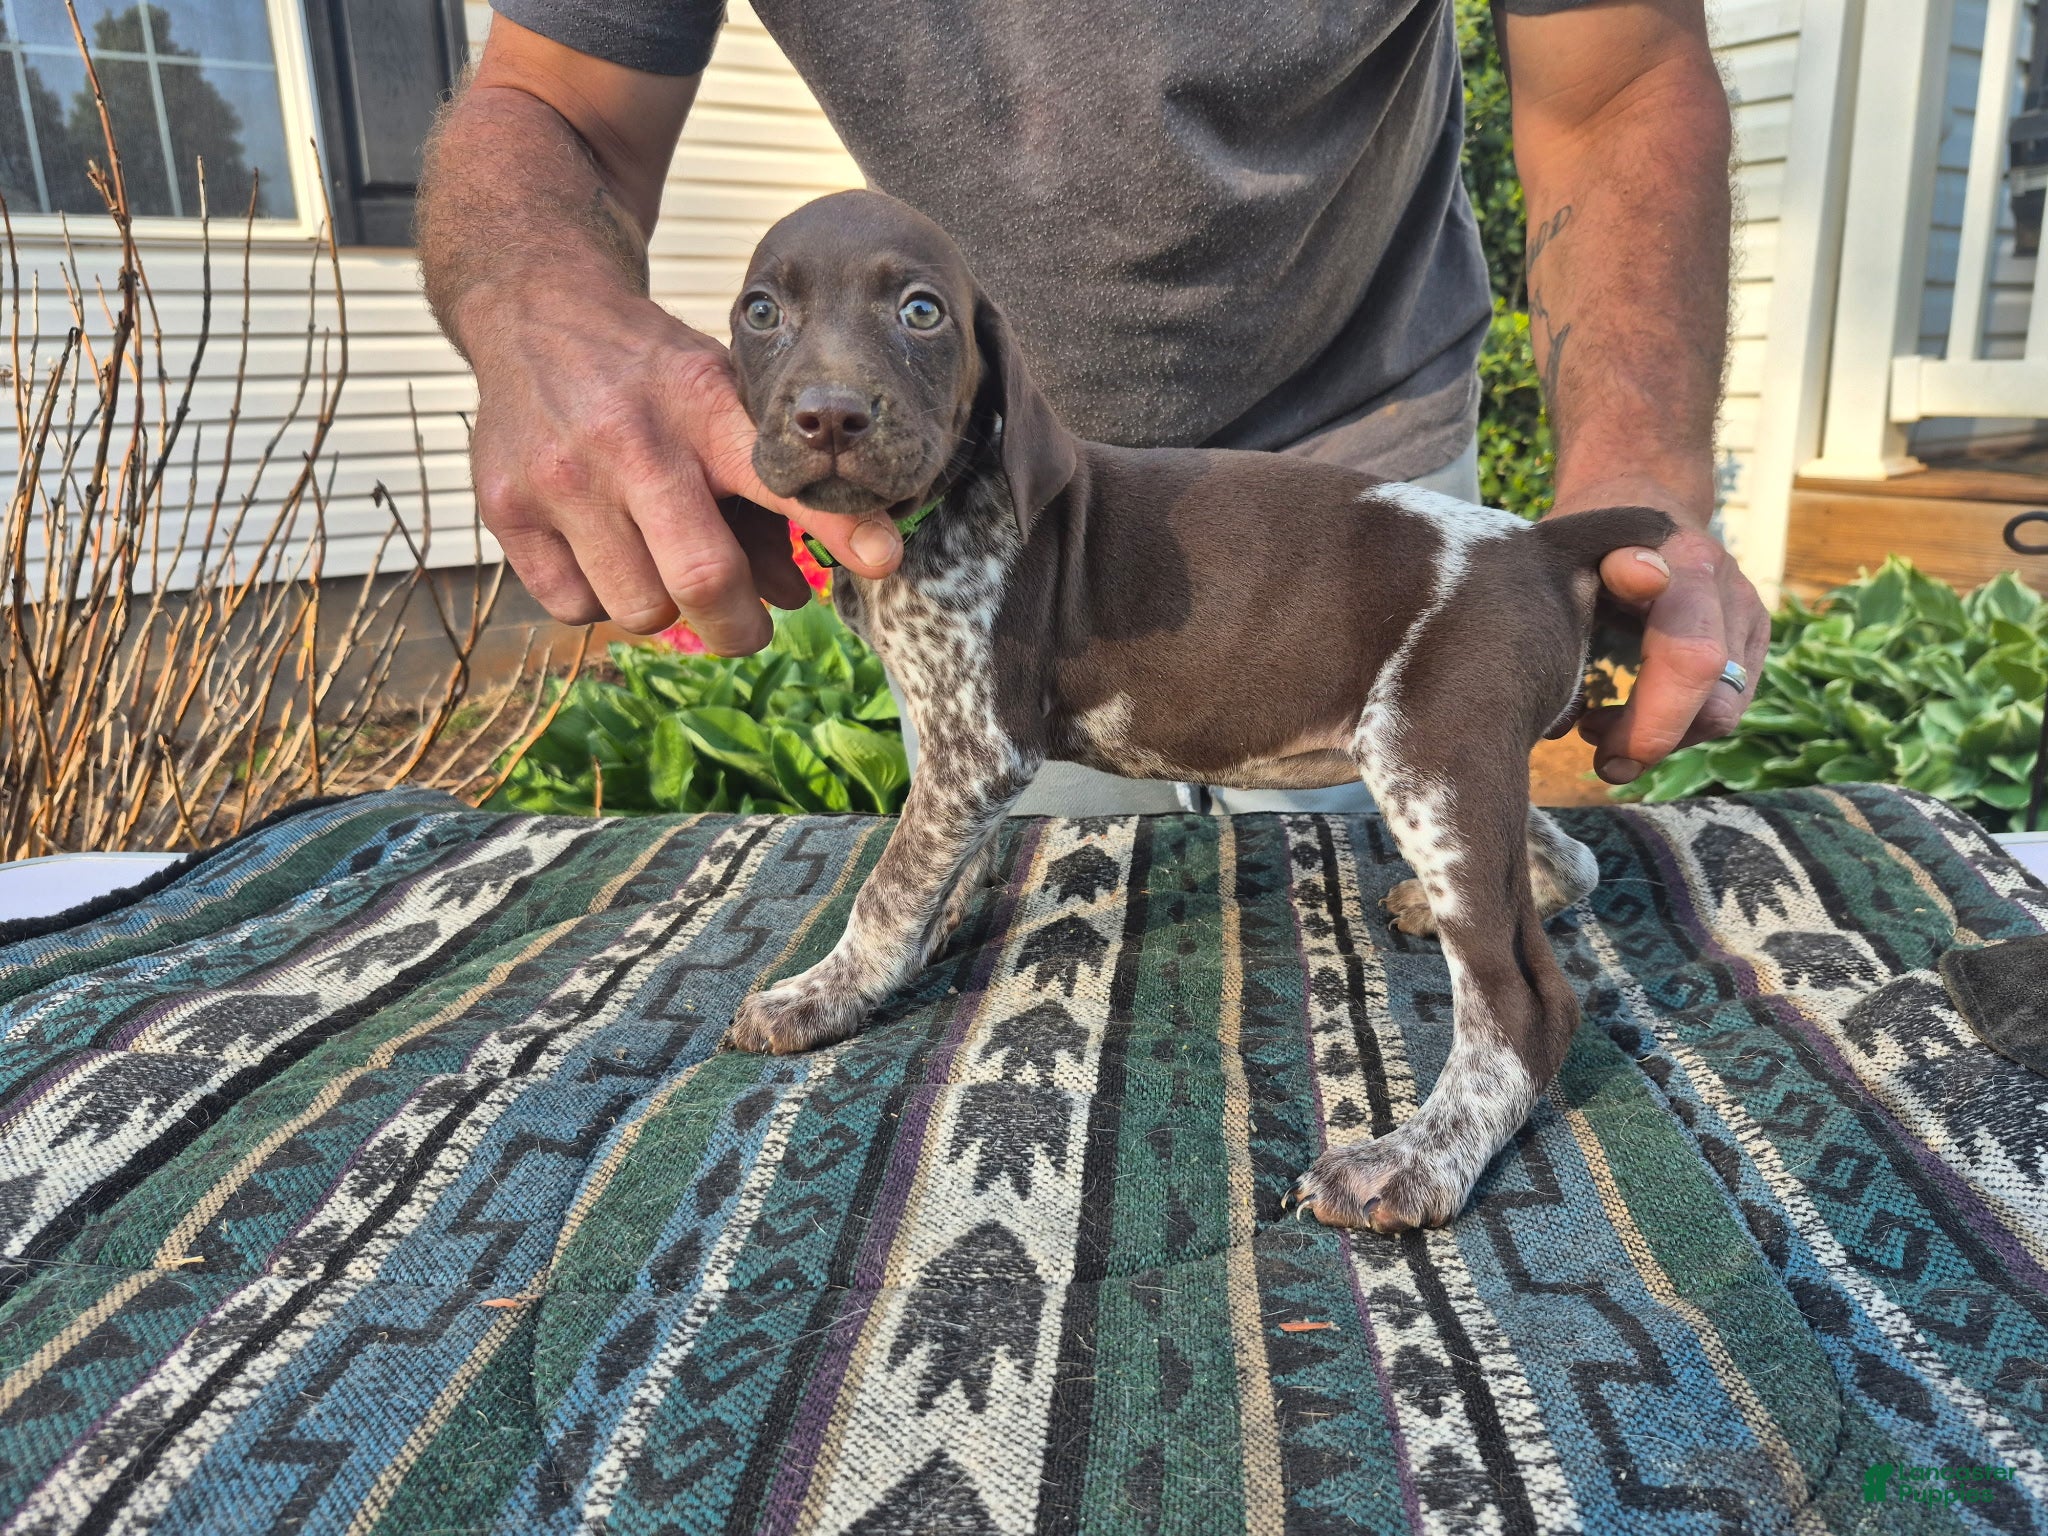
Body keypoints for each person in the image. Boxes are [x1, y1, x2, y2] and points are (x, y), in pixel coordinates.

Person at [418, 0, 1768, 813]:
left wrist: (1632, 484)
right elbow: (555, 100)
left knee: (1399, 916)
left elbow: (1619, 84)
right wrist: (543, 306)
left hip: (1368, 476)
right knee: (1053, 948)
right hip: (1013, 515)